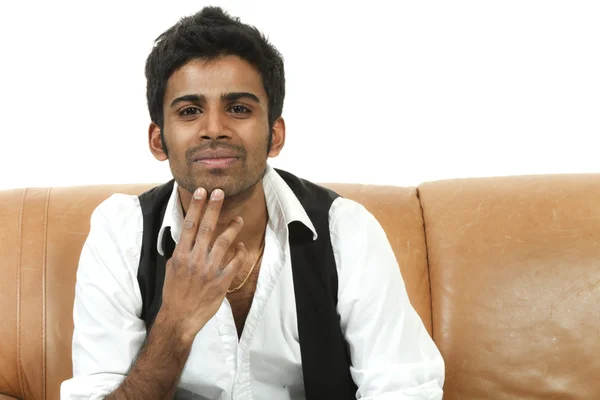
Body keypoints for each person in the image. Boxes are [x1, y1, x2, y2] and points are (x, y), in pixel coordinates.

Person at [60, 6, 444, 400]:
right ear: (158, 140)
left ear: (274, 135)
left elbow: (404, 388)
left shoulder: (346, 230)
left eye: (239, 108)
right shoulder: (120, 234)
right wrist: (175, 323)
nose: (214, 129)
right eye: (190, 111)